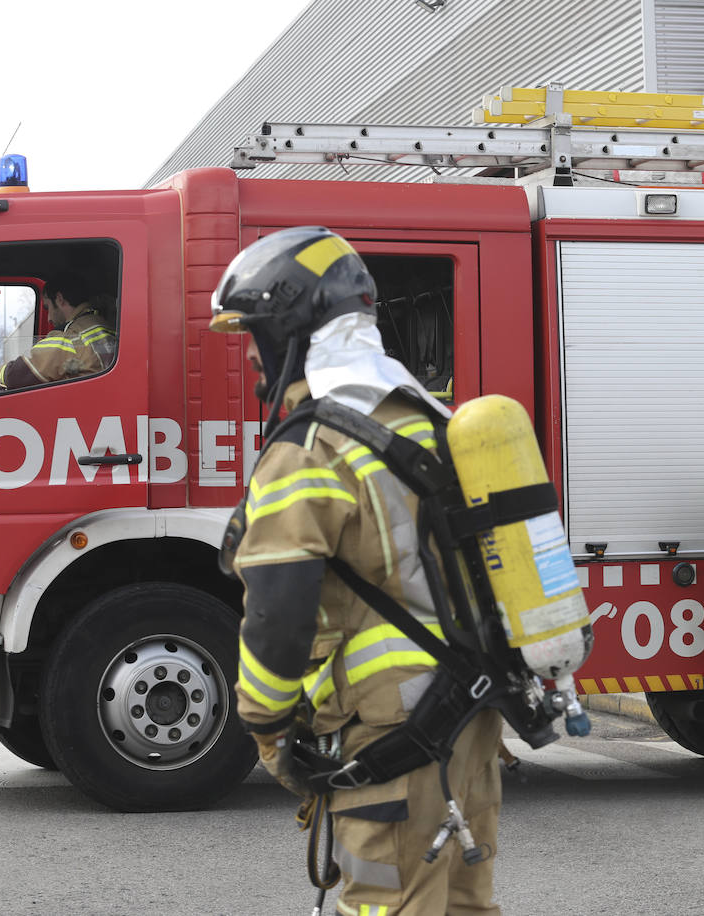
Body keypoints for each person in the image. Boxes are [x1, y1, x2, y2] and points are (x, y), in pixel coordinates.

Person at [211, 226, 503, 915]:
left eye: (257, 340)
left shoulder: (311, 447)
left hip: (387, 728)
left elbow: (277, 614)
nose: (256, 364)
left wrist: (267, 728)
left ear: (289, 332)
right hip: (474, 717)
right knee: (466, 908)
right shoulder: (430, 420)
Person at [0, 271, 117, 389]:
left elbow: (21, 372)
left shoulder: (74, 337)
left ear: (59, 299)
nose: (49, 319)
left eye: (48, 307)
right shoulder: (103, 325)